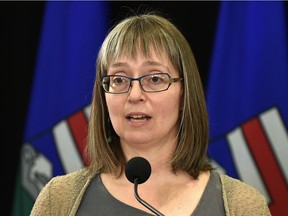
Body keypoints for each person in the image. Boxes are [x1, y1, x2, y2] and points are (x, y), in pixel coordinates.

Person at [30, 13, 271, 216]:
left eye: (155, 78)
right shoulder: (59, 201)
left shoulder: (241, 206)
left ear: (185, 95)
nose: (135, 95)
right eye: (119, 79)